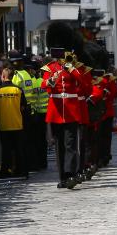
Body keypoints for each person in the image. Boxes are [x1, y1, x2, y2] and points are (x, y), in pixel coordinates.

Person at [41, 22, 84, 189]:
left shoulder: (72, 66)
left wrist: (70, 67)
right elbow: (45, 85)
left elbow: (81, 80)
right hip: (56, 109)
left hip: (71, 109)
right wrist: (51, 79)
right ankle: (62, 177)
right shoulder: (50, 67)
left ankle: (71, 174)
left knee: (70, 143)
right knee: (59, 144)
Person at [0, 67, 28, 178]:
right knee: (19, 150)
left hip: (4, 125)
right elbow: (23, 107)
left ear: (3, 76)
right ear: (12, 77)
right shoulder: (18, 90)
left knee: (6, 150)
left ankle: (5, 172)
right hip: (17, 124)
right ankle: (22, 171)